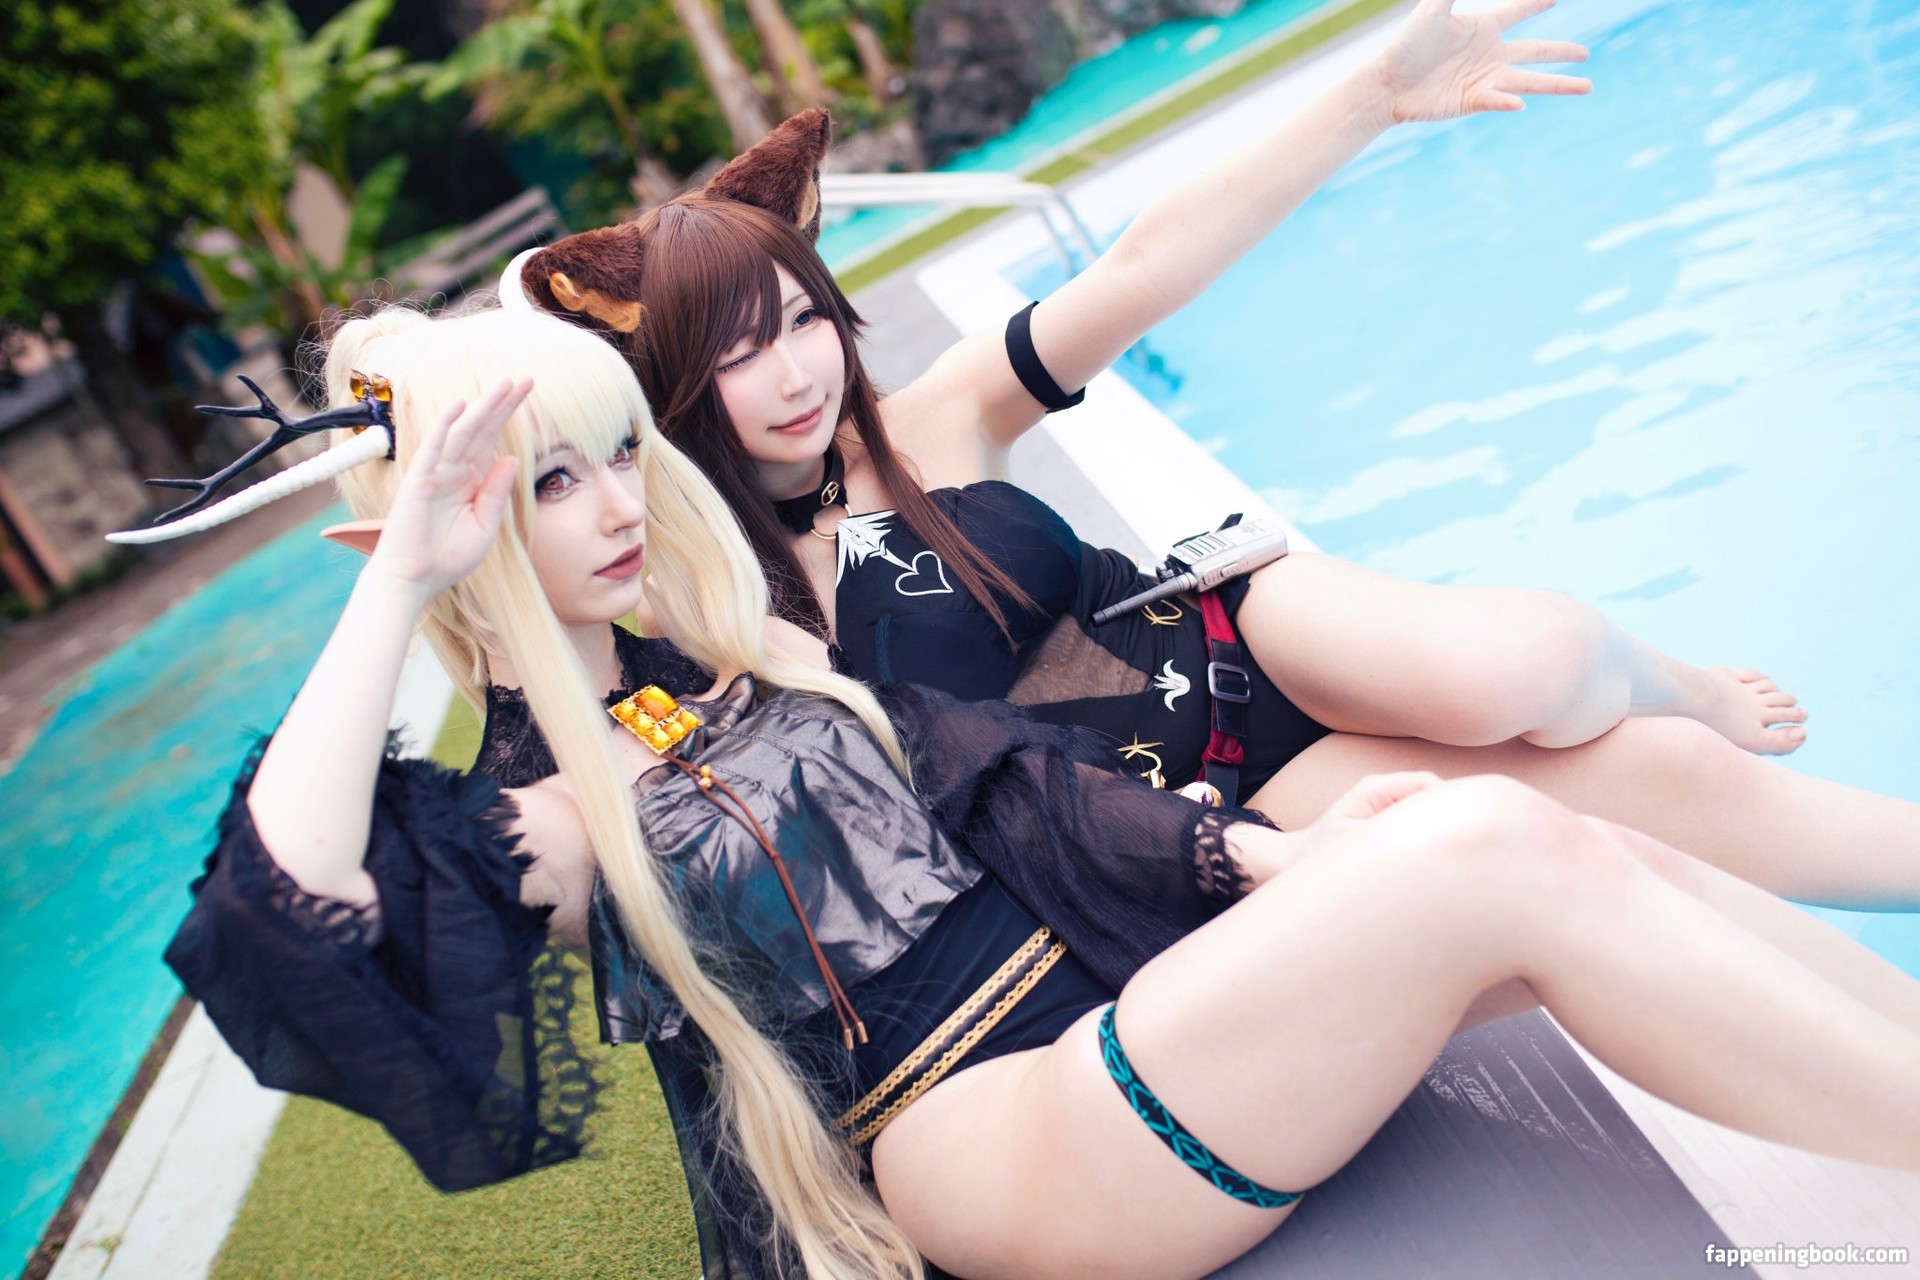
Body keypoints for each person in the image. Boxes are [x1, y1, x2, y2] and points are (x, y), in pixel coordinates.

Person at [161, 307, 1920, 1280]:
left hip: (1124, 1009)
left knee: (1548, 836)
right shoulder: (540, 816)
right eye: (548, 484)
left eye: (620, 454)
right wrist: (405, 575)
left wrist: (1266, 854)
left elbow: (1015, 791)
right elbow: (285, 922)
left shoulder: (740, 657)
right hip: (980, 1136)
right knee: (1491, 846)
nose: (618, 503)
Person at [507, 0, 1920, 911]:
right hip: (1199, 813)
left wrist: (1372, 97)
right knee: (1619, 811)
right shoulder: (699, 593)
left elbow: (1140, 267)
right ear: (670, 387)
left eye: (806, 321)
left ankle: (1680, 681)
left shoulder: (933, 419)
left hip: (1241, 638)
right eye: (739, 352)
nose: (797, 373)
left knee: (1531, 670)